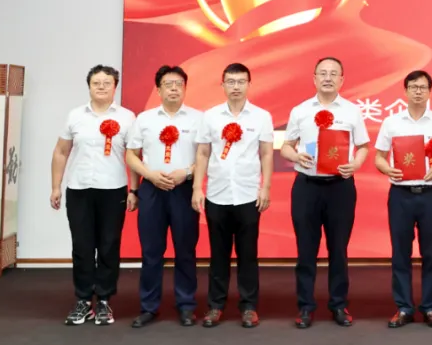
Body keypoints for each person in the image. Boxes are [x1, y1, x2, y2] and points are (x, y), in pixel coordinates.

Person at [280, 57, 369, 329]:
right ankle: (305, 307)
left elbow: (363, 147)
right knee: (306, 250)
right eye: (323, 73)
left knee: (338, 249)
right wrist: (296, 155)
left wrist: (355, 164)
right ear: (314, 78)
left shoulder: (352, 111)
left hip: (340, 187)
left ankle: (338, 304)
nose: (328, 78)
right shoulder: (300, 110)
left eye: (333, 74)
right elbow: (286, 146)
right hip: (307, 187)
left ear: (342, 80)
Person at [51, 65, 137, 326]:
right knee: (82, 246)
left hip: (113, 190)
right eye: (96, 83)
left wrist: (134, 190)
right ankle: (83, 300)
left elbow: (133, 156)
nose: (101, 87)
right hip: (79, 189)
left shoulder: (127, 117)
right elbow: (61, 152)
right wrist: (56, 186)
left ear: (115, 87)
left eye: (107, 83)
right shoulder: (76, 115)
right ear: (89, 86)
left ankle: (104, 301)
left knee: (109, 246)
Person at [191, 63, 274, 328]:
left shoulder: (261, 116)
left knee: (248, 254)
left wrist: (266, 187)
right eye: (230, 81)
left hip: (249, 194)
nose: (235, 86)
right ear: (222, 85)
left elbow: (266, 154)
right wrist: (197, 188)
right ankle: (215, 306)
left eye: (240, 81)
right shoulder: (210, 116)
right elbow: (203, 153)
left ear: (249, 84)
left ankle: (248, 306)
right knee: (218, 255)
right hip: (217, 194)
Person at [374, 70, 432, 329]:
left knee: (431, 254)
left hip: (431, 195)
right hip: (401, 195)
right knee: (400, 253)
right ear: (405, 91)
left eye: (422, 87)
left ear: (430, 91)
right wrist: (388, 169)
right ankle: (404, 307)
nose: (418, 91)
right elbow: (378, 157)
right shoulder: (392, 122)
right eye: (413, 87)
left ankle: (430, 307)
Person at [125, 65, 203, 328]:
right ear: (158, 90)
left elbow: (206, 156)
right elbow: (131, 155)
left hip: (184, 189)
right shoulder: (144, 119)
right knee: (151, 251)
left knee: (185, 250)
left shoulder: (198, 119)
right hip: (152, 189)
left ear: (185, 88)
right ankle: (149, 306)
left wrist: (187, 172)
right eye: (168, 84)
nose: (174, 89)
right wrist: (145, 178)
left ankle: (186, 305)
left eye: (179, 84)